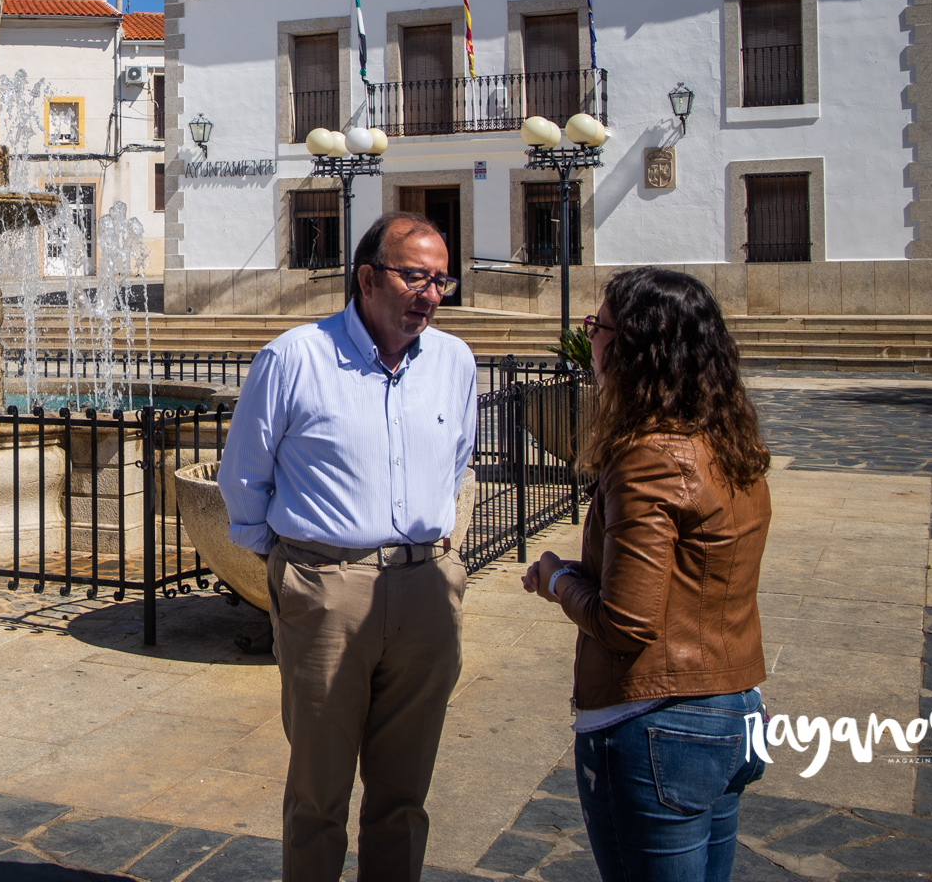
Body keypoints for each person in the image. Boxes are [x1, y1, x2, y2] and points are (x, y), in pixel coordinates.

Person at [219, 212, 475, 882]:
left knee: (404, 796)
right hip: (327, 590)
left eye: (440, 279)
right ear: (367, 278)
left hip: (425, 592)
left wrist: (442, 562)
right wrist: (287, 569)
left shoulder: (454, 361)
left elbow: (457, 464)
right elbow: (243, 478)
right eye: (415, 276)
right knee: (318, 796)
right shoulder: (294, 358)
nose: (431, 293)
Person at [522, 267, 772, 881]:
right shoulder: (726, 441)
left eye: (598, 328)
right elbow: (690, 572)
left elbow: (628, 623)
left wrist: (557, 579)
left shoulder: (649, 458)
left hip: (658, 723)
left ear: (635, 349)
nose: (591, 341)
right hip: (736, 706)